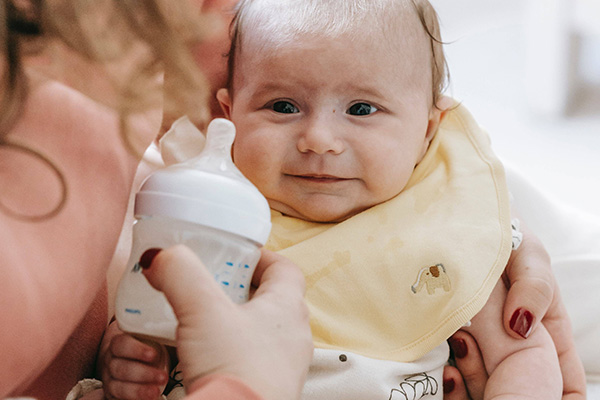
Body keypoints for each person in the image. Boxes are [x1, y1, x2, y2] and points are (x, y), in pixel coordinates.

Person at [0, 1, 583, 400]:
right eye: (282, 107)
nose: (319, 140)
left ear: (429, 131)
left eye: (361, 110)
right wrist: (131, 357)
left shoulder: (442, 224)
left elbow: (520, 356)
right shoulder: (203, 215)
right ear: (228, 114)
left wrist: (487, 227)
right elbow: (153, 323)